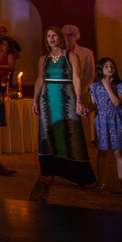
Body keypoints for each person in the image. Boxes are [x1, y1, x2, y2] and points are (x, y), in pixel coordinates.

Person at [32, 27, 96, 187]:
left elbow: (77, 78)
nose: (51, 38)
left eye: (54, 35)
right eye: (48, 36)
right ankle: (50, 173)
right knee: (49, 133)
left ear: (60, 38)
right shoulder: (43, 59)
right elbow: (39, 80)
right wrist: (35, 101)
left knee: (71, 133)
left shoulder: (71, 56)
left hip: (66, 97)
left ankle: (79, 175)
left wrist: (79, 100)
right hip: (47, 99)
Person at [89, 57, 122, 194]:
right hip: (101, 121)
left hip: (115, 120)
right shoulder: (94, 86)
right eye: (106, 66)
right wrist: (86, 110)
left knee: (118, 151)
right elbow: (94, 105)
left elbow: (117, 102)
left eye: (112, 66)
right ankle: (101, 182)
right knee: (102, 152)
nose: (110, 68)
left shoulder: (120, 86)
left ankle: (121, 183)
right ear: (101, 69)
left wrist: (107, 87)